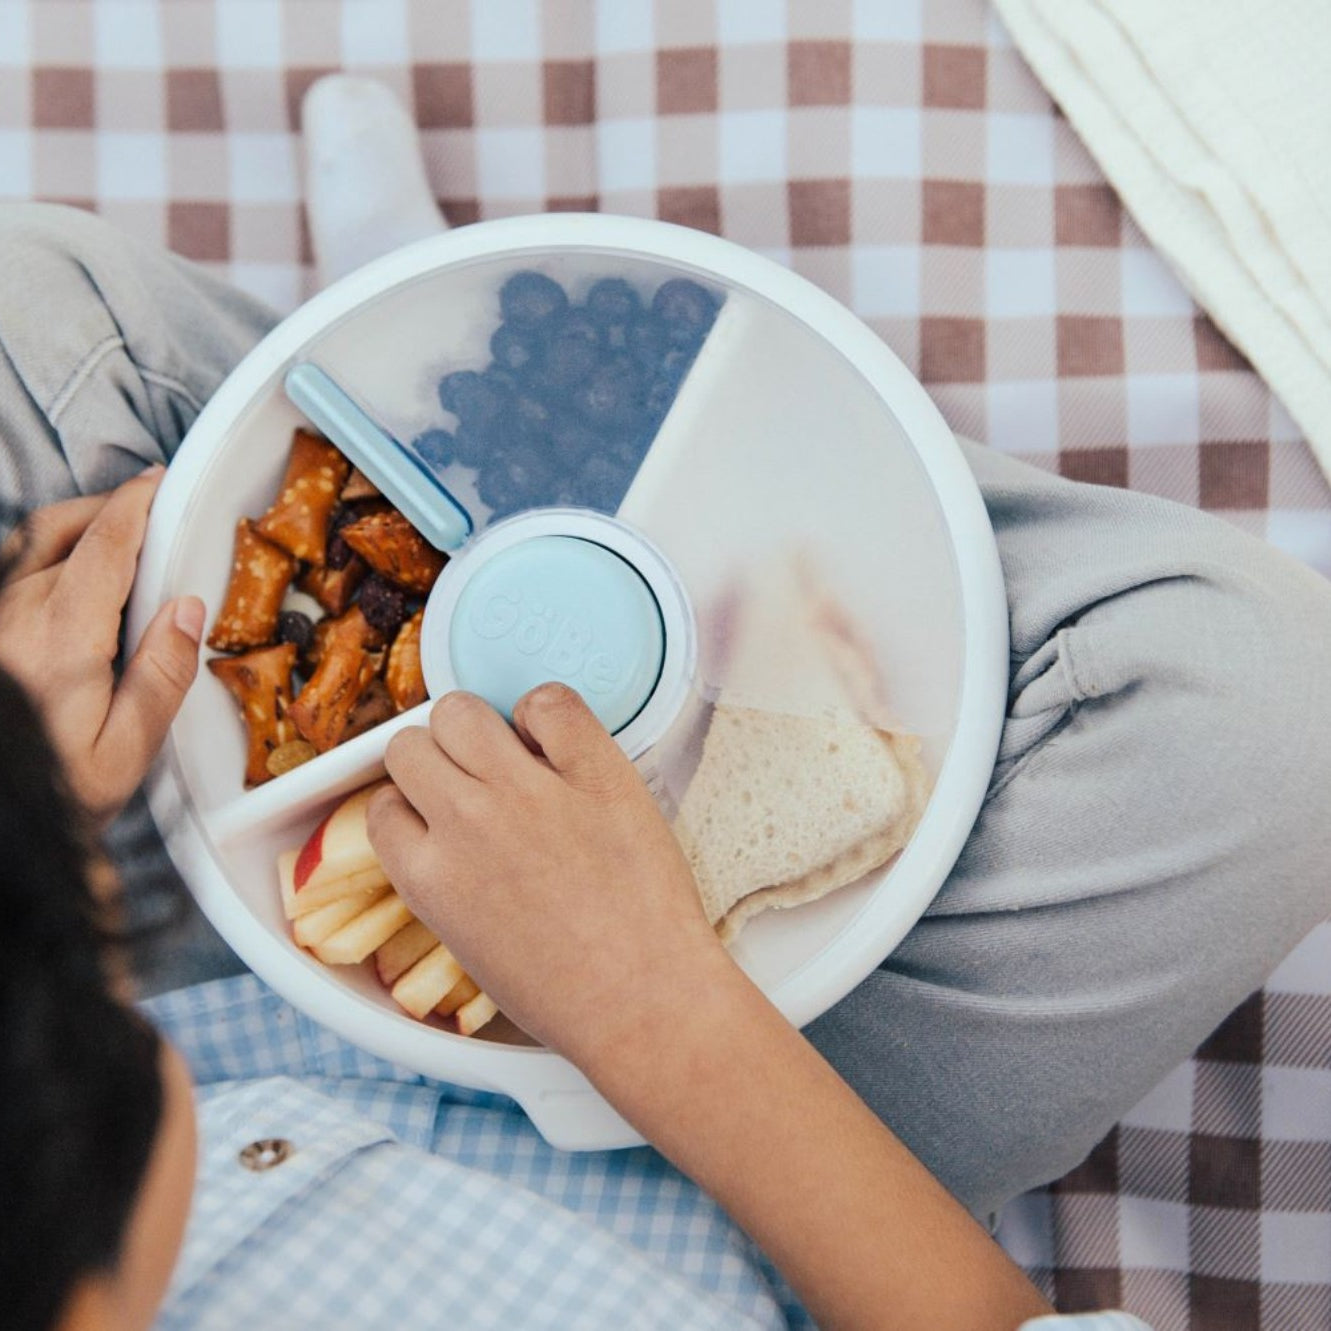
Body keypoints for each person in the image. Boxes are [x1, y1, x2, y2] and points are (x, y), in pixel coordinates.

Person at [2, 75, 1329, 1330]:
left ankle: (426, 409)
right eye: (90, 1041)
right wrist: (657, 1009)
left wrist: (26, 845)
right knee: (1265, 715)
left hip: (185, 951)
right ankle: (493, 432)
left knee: (31, 318)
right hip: (758, 1153)